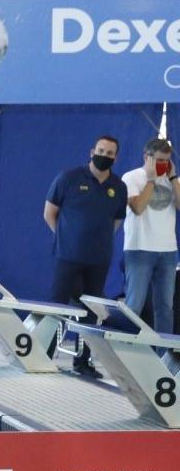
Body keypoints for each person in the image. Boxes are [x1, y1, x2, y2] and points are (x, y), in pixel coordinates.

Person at [44, 135, 128, 377]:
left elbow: (116, 220)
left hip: (98, 260)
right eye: (101, 150)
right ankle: (44, 356)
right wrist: (66, 238)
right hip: (67, 256)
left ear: (116, 157)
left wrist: (97, 241)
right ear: (92, 151)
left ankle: (83, 361)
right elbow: (49, 213)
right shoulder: (68, 178)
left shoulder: (118, 187)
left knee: (92, 312)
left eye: (110, 153)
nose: (105, 156)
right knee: (57, 307)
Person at [122, 138, 180, 333]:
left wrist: (173, 179)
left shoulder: (172, 181)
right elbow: (138, 207)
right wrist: (151, 180)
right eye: (159, 160)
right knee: (134, 305)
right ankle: (126, 350)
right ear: (147, 157)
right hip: (139, 248)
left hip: (168, 251)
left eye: (167, 160)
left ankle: (165, 358)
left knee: (165, 308)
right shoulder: (131, 177)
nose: (164, 164)